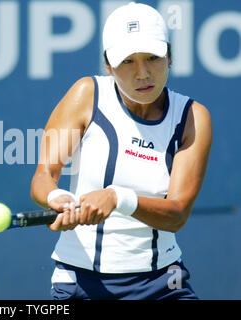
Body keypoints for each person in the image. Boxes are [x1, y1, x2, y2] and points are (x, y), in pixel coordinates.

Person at [30, 2, 212, 300]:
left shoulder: (193, 117)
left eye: (153, 57)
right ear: (108, 65)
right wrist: (56, 197)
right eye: (128, 61)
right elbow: (43, 176)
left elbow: (177, 213)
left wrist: (117, 198)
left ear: (169, 57)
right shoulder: (85, 94)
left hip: (163, 284)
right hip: (80, 283)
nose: (142, 73)